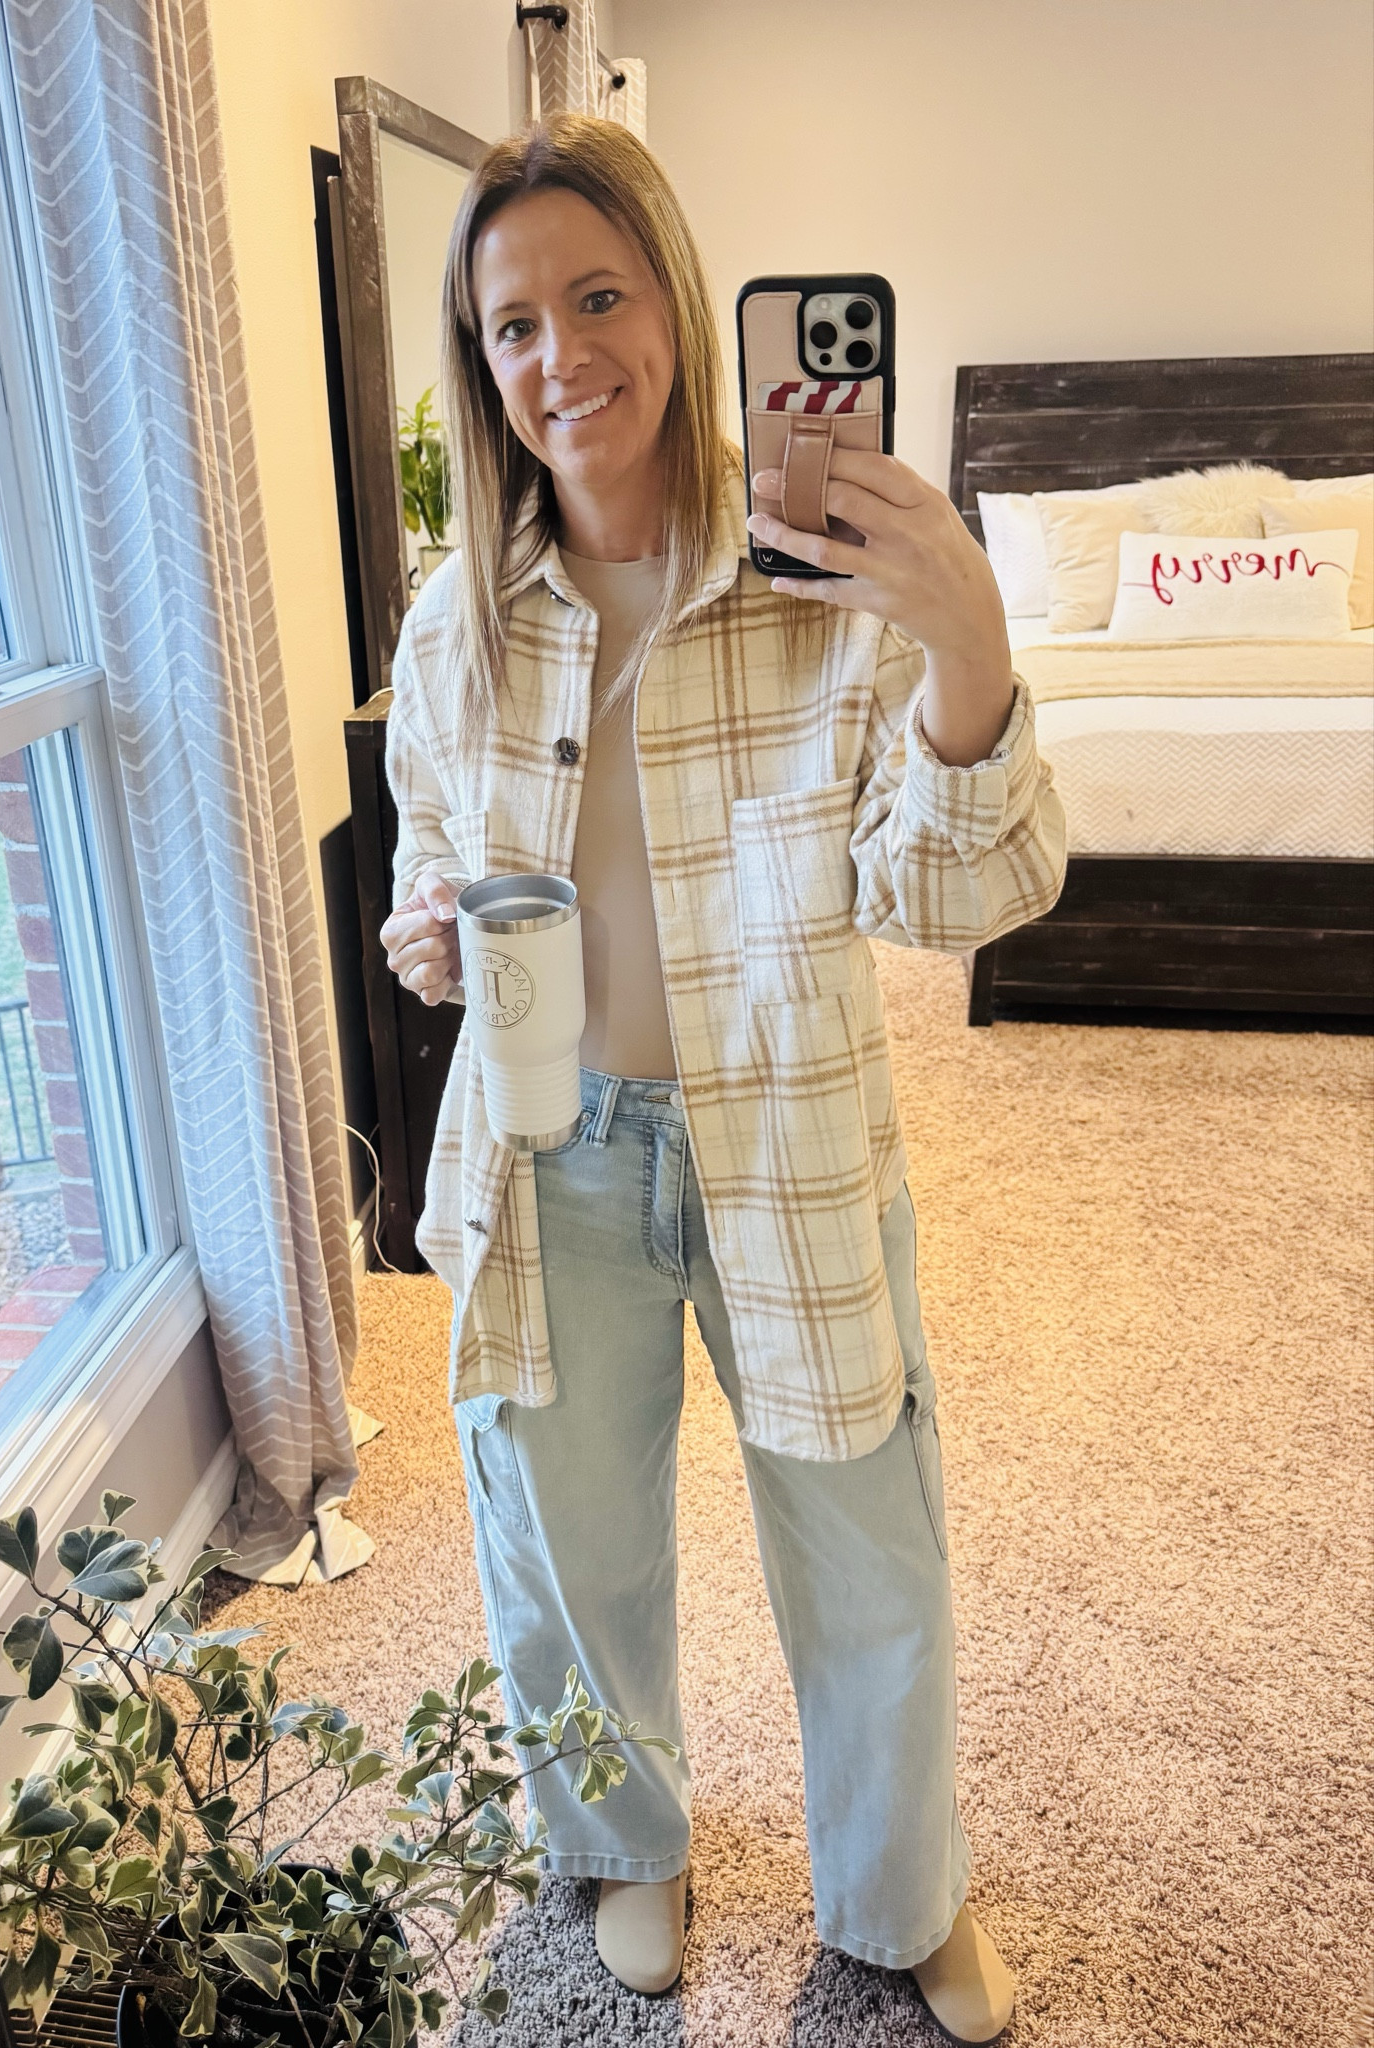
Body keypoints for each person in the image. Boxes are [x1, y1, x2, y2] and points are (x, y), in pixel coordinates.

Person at [379, 113, 1064, 2045]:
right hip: (550, 1146)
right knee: (568, 1538)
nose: (560, 358)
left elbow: (958, 894)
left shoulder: (820, 581)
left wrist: (966, 646)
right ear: (479, 362)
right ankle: (628, 1842)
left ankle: (900, 1889)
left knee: (866, 1530)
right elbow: (446, 861)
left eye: (597, 298)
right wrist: (432, 933)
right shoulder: (462, 622)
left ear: (678, 309)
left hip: (785, 1133)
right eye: (513, 325)